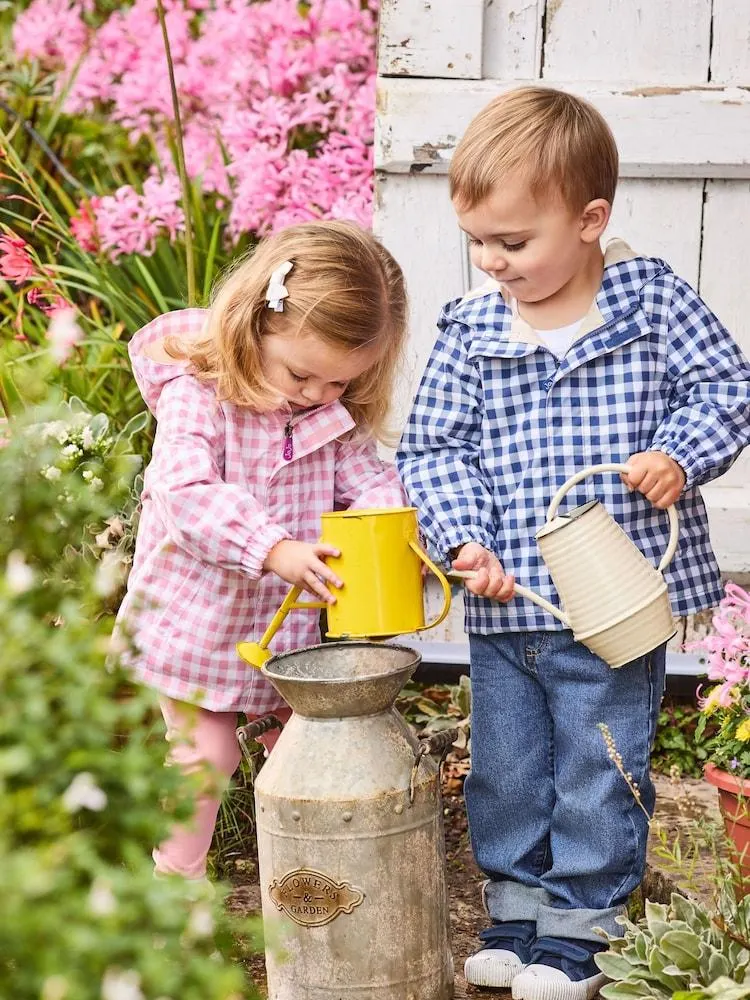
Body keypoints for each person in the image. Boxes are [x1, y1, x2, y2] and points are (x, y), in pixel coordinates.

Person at [396, 86, 750, 1000]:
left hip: (615, 594)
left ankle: (584, 926)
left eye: (514, 242)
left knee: (599, 759)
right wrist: (465, 541)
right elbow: (436, 448)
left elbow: (727, 388)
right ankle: (517, 911)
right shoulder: (472, 331)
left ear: (591, 220)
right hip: (507, 596)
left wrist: (679, 453)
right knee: (509, 766)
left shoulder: (649, 301)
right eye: (479, 241)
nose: (493, 262)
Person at [118, 220, 407, 883]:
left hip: (288, 633)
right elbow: (183, 493)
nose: (317, 395)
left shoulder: (329, 415)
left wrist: (381, 529)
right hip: (200, 621)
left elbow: (369, 482)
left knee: (312, 748)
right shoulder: (200, 396)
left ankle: (314, 882)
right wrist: (270, 545)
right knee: (205, 755)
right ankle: (173, 886)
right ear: (256, 324)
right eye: (303, 375)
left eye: (338, 384)